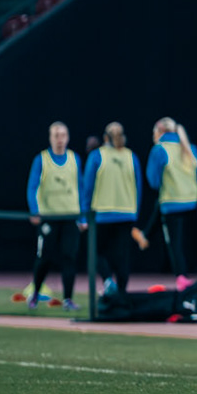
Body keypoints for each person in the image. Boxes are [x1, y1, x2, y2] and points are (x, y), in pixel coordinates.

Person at [79, 122, 147, 295]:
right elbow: (139, 188)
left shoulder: (96, 156)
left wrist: (84, 215)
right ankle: (122, 294)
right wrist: (135, 212)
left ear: (105, 138)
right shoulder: (132, 157)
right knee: (122, 257)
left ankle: (108, 281)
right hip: (126, 214)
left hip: (102, 213)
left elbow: (88, 188)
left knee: (96, 252)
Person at [141, 118, 197, 283]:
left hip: (172, 203)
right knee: (188, 243)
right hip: (192, 202)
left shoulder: (159, 150)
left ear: (160, 130)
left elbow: (153, 181)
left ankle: (181, 278)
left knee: (175, 244)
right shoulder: (190, 147)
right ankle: (145, 235)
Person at [26, 122, 81, 310]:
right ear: (50, 138)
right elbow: (32, 187)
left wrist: (81, 217)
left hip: (70, 217)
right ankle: (34, 294)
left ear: (68, 137)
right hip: (49, 217)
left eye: (63, 135)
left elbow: (80, 188)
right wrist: (34, 211)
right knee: (44, 258)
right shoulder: (41, 159)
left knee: (69, 257)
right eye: (56, 135)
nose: (60, 139)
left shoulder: (75, 159)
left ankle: (68, 299)